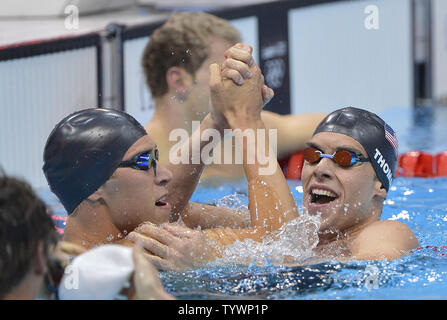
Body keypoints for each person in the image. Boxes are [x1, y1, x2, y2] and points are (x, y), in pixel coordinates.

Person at [43, 54, 299, 271]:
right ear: (95, 186)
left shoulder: (84, 246)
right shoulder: (139, 255)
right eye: (144, 162)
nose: (164, 173)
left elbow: (293, 226)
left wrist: (218, 121)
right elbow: (288, 244)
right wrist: (245, 119)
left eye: (157, 158)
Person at [142, 12, 326, 180]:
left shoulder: (240, 134)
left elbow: (338, 130)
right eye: (226, 70)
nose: (239, 81)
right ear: (179, 81)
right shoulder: (139, 161)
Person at [298, 107, 419, 262]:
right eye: (313, 155)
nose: (320, 169)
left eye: (345, 158)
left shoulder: (389, 233)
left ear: (380, 184)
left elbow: (362, 274)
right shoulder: (297, 237)